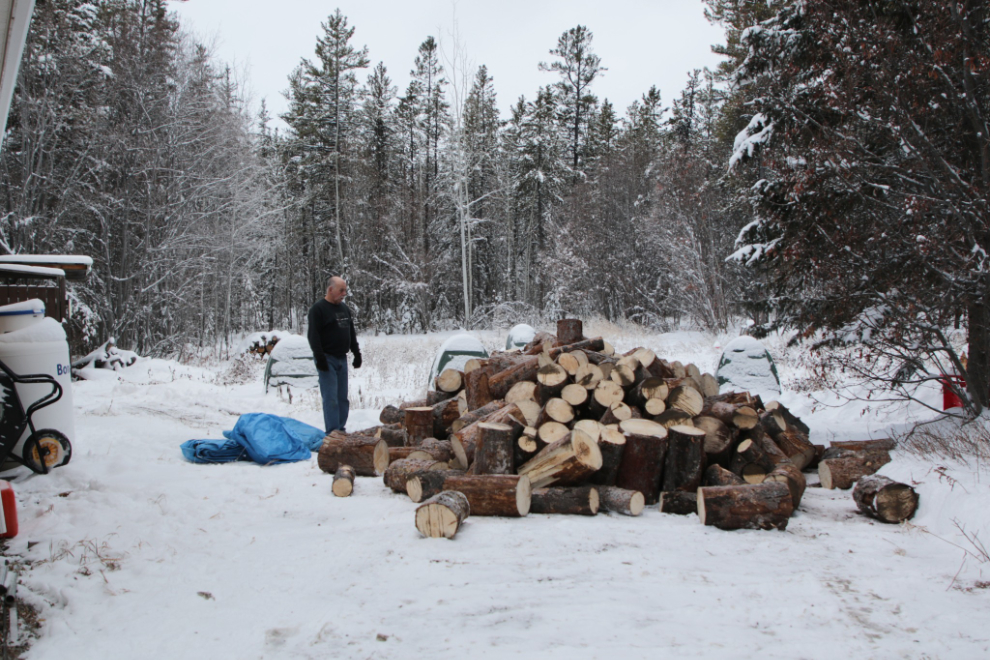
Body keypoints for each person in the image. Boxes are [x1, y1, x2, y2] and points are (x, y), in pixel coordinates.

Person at [307, 276, 362, 433]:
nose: (344, 293)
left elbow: (350, 332)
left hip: (341, 358)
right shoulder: (318, 310)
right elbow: (313, 336)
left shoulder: (344, 309)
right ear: (330, 290)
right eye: (341, 290)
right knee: (331, 399)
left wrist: (356, 353)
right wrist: (320, 358)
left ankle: (341, 429)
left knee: (342, 398)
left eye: (345, 290)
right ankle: (333, 433)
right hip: (327, 358)